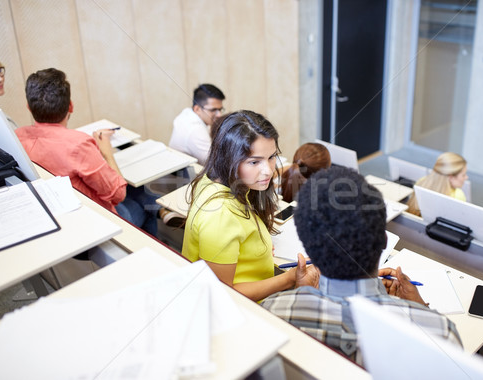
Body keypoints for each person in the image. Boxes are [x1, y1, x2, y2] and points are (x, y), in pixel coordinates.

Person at [262, 166, 462, 363]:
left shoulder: (272, 311)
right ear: (384, 241)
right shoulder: (441, 334)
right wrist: (419, 308)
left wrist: (303, 292)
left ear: (309, 248)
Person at [181, 110, 319, 302]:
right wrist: (289, 279)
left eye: (272, 157)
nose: (268, 171)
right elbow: (222, 293)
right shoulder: (220, 215)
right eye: (254, 162)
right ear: (229, 159)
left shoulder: (215, 179)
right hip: (244, 309)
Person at [15, 68, 158, 236]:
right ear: (71, 106)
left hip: (57, 217)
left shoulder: (17, 137)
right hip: (96, 224)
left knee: (142, 194)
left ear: (28, 108)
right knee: (145, 205)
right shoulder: (79, 144)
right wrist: (106, 152)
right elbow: (118, 194)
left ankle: (159, 209)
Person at [169, 84, 225, 165]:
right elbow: (216, 165)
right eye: (213, 110)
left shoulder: (187, 112)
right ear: (197, 109)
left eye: (220, 109)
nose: (219, 115)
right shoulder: (196, 130)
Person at [406, 152, 468, 216]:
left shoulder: (422, 181)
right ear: (451, 177)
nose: (466, 177)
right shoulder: (458, 195)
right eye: (463, 175)